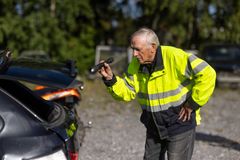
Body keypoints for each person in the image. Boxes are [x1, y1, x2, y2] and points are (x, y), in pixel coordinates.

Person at [98, 27, 216, 160]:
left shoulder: (174, 56)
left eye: (137, 49)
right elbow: (127, 91)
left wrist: (193, 103)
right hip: (154, 125)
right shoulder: (135, 65)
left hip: (180, 123)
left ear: (153, 47)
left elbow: (208, 73)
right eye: (133, 49)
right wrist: (110, 79)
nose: (134, 54)